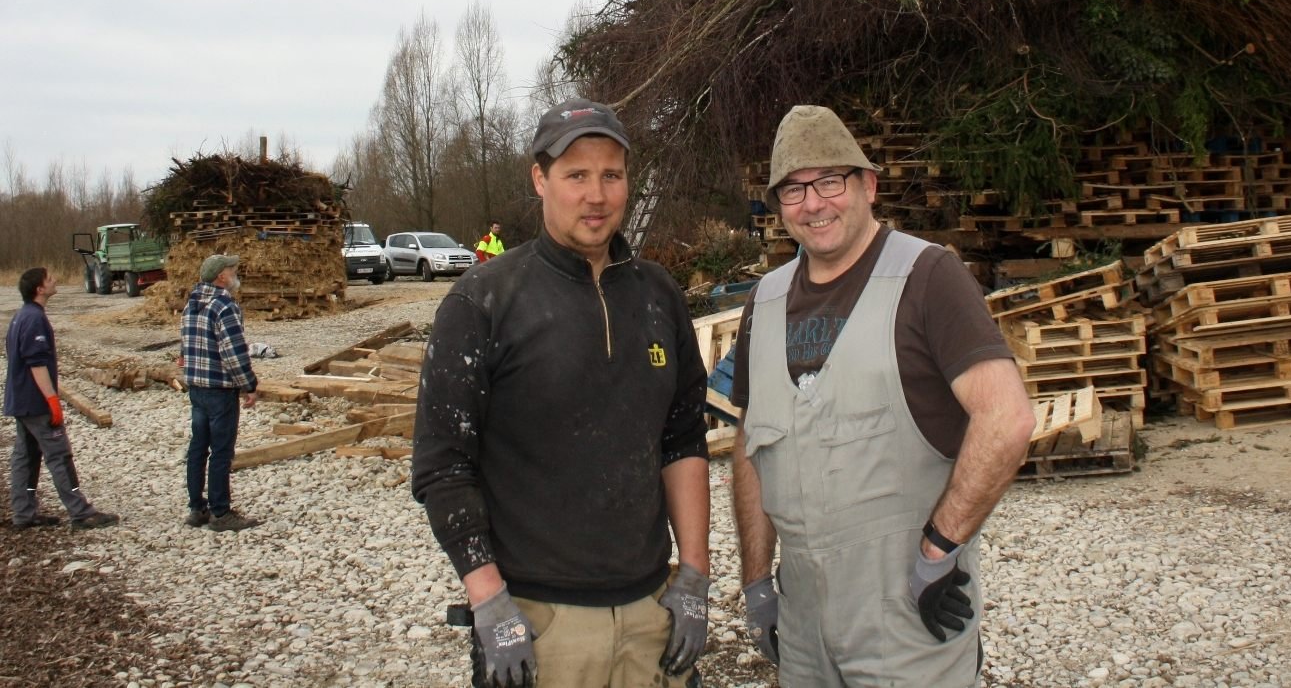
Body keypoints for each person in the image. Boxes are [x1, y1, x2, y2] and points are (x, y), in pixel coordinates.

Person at [730, 105, 1035, 686]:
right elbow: (751, 446)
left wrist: (940, 550)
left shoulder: (927, 277)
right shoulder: (762, 303)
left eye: (829, 181)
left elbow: (1006, 417)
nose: (813, 203)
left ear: (868, 185)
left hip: (905, 613)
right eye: (793, 189)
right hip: (801, 621)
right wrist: (756, 584)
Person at [412, 98, 711, 688]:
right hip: (541, 625)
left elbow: (683, 438)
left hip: (652, 616)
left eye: (611, 175)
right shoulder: (485, 302)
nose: (595, 195)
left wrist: (695, 578)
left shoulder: (658, 296)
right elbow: (443, 465)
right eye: (576, 175)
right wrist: (489, 600)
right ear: (539, 180)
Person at [5, 267, 120, 532]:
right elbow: (36, 364)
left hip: (21, 400)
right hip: (36, 402)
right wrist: (52, 399)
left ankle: (24, 512)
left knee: (27, 457)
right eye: (50, 279)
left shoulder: (20, 316)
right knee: (59, 456)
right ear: (39, 289)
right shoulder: (33, 319)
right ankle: (80, 512)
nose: (55, 281)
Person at [180, 253, 261, 532]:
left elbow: (185, 347)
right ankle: (221, 512)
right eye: (232, 269)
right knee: (221, 451)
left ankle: (196, 507)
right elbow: (234, 352)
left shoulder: (192, 303)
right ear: (221, 276)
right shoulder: (224, 305)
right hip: (219, 388)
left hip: (196, 386)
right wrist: (248, 384)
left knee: (198, 447)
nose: (236, 272)